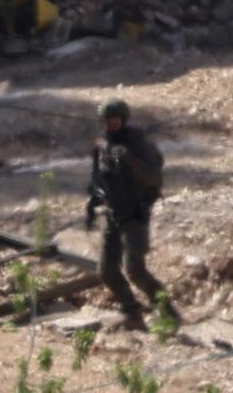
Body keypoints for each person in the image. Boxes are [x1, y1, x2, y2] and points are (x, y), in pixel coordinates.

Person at [87, 98, 176, 331]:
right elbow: (97, 177)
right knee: (106, 271)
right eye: (106, 120)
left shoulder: (137, 143)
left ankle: (167, 311)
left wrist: (129, 159)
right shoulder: (102, 146)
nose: (110, 124)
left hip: (135, 215)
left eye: (114, 120)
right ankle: (132, 311)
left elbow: (155, 178)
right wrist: (96, 195)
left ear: (123, 119)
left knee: (135, 270)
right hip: (114, 213)